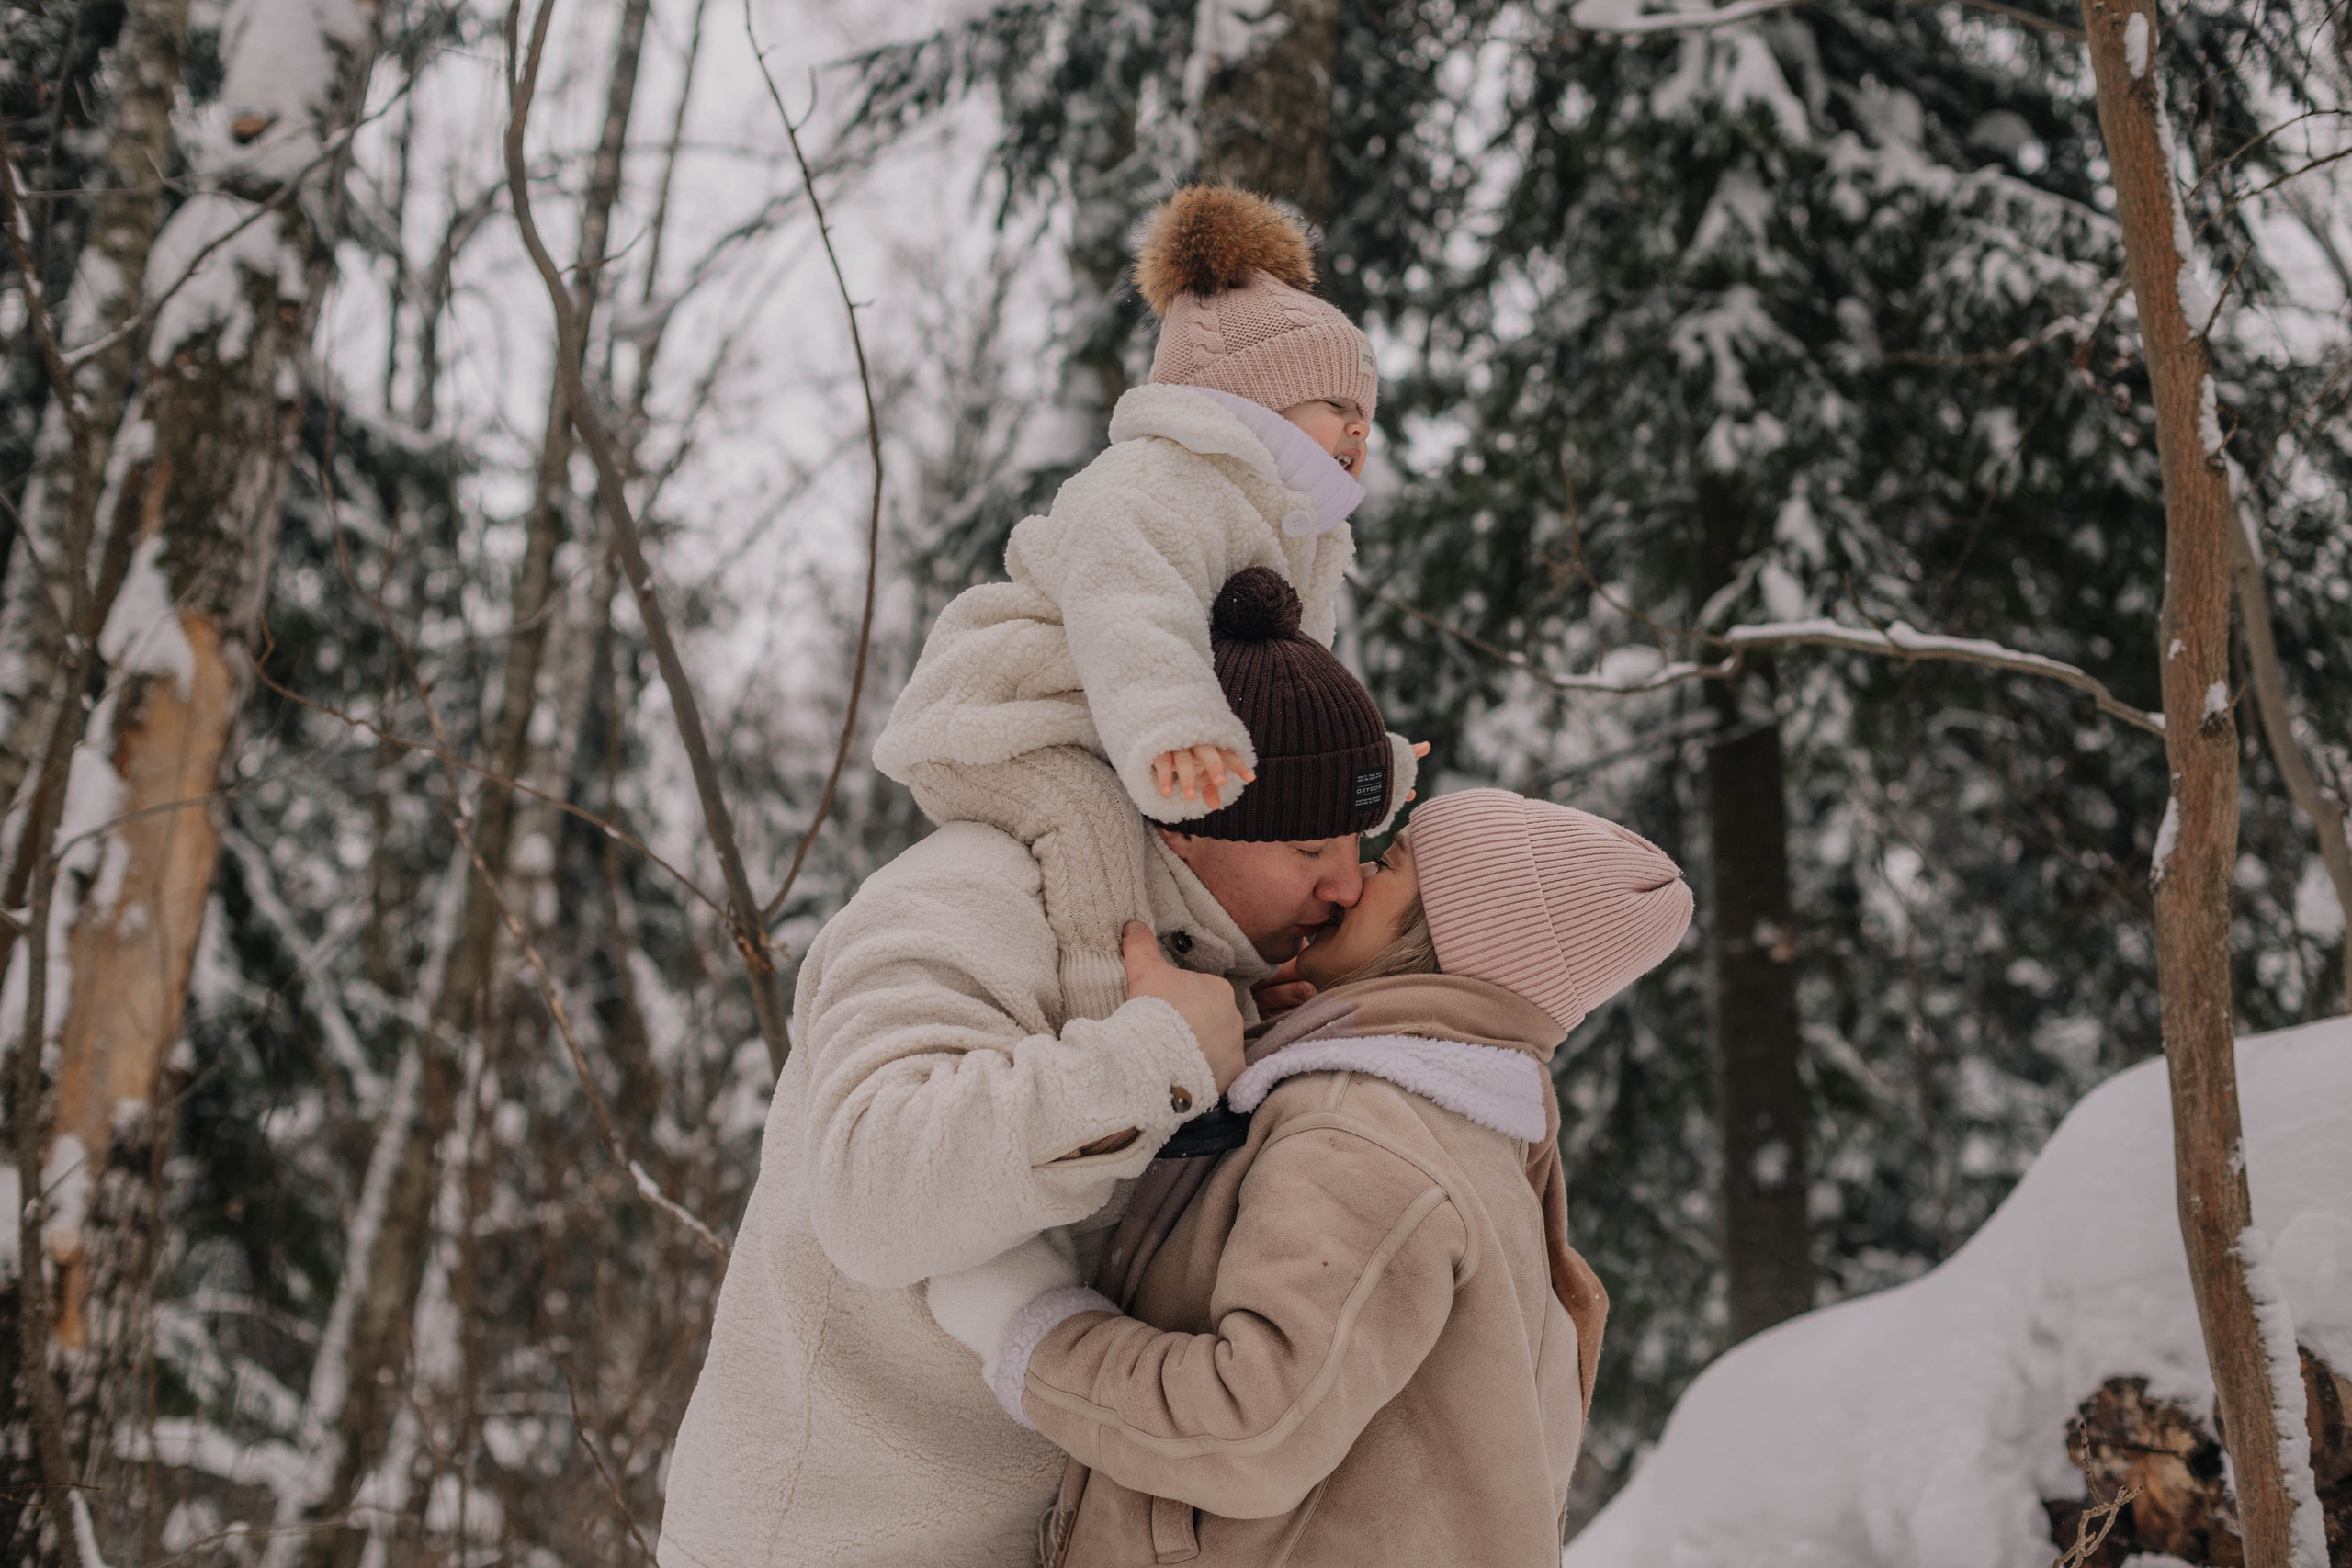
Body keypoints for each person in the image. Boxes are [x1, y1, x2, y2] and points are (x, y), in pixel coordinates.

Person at [657, 571, 1408, 1568]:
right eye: (1311, 845)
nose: (1347, 882)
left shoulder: (1209, 968)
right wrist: (1158, 1059)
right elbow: (873, 1188)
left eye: (1360, 842)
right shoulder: (966, 897)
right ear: (1186, 819)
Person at [926, 789, 1694, 1568]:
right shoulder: (1480, 1132)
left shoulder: (1363, 1134)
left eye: (1390, 864)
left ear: (1439, 932)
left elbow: (1252, 1431)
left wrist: (1030, 1332)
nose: (1352, 882)